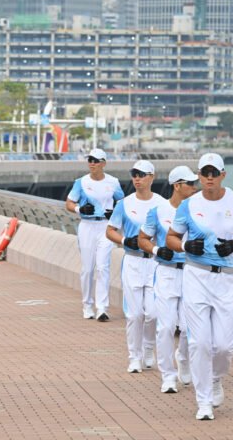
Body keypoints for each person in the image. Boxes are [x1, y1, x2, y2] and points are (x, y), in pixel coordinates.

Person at [166, 153, 233, 421]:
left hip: (228, 279)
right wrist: (185, 246)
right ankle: (203, 401)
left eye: (213, 173)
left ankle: (216, 379)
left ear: (222, 175)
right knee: (200, 344)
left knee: (224, 346)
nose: (208, 177)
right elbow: (172, 237)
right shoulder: (189, 205)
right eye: (204, 173)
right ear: (199, 175)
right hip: (197, 277)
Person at [138, 166, 199, 394]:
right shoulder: (158, 211)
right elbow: (142, 238)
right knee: (165, 328)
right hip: (166, 273)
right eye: (190, 183)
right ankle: (168, 376)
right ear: (177, 185)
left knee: (187, 326)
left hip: (192, 273)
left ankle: (183, 357)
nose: (195, 187)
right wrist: (155, 250)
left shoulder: (198, 209)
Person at [105, 160, 165, 373]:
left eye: (141, 174)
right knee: (134, 314)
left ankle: (149, 348)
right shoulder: (125, 203)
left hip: (155, 264)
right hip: (132, 262)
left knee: (154, 313)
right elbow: (110, 230)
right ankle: (134, 357)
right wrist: (123, 241)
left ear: (152, 176)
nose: (137, 178)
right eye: (134, 174)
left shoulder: (161, 204)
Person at [65, 148, 125, 321]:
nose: (92, 163)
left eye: (96, 160)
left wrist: (114, 212)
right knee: (87, 269)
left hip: (105, 227)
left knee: (103, 267)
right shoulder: (81, 182)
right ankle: (87, 305)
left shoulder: (113, 182)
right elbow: (69, 203)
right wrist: (79, 209)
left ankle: (102, 308)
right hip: (87, 226)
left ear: (103, 163)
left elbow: (121, 201)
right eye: (90, 160)